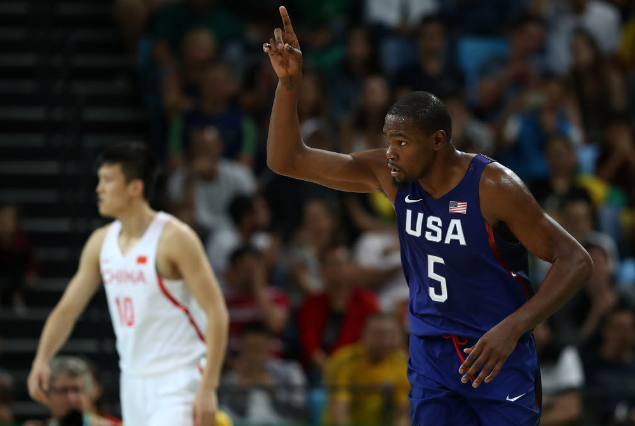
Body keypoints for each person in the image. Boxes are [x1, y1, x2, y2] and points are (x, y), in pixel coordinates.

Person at [263, 7, 593, 425]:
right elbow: (287, 160)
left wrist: (514, 327)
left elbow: (576, 260)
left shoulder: (493, 187)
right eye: (388, 140)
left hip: (494, 352)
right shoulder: (390, 175)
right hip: (430, 355)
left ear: (438, 141)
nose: (390, 152)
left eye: (402, 141)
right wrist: (289, 84)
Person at [27, 142, 229, 426]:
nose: (99, 188)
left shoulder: (175, 239)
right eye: (99, 180)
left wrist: (208, 387)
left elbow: (217, 312)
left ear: (135, 187)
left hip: (180, 378)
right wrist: (41, 359)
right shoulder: (100, 243)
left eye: (108, 180)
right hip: (133, 379)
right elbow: (67, 309)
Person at [323, 313, 410, 426]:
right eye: (379, 334)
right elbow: (340, 413)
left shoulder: (402, 364)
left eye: (391, 334)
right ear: (364, 334)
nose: (385, 341)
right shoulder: (344, 361)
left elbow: (402, 415)